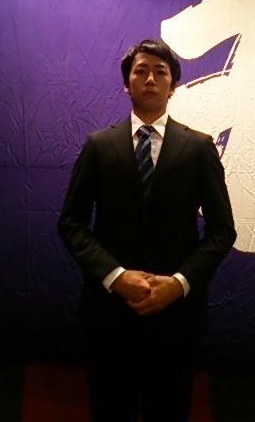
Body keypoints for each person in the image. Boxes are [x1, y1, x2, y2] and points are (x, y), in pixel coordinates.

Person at [58, 38, 236, 422]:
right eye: (141, 71)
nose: (150, 79)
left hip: (176, 318)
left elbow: (222, 230)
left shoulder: (199, 147)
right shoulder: (99, 146)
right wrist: (116, 277)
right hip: (109, 315)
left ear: (173, 86)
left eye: (160, 72)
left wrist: (180, 283)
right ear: (127, 84)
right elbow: (71, 223)